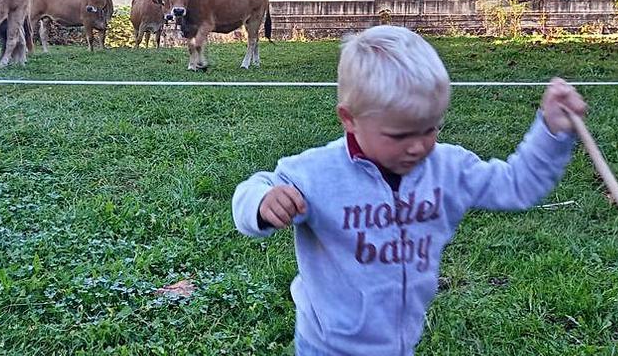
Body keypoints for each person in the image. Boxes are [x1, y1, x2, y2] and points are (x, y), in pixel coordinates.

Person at [232, 26, 587, 355]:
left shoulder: (449, 169)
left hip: (400, 342)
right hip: (327, 344)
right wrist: (263, 202)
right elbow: (254, 188)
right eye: (400, 135)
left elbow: (517, 185)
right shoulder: (316, 173)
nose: (418, 147)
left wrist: (551, 132)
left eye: (430, 129)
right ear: (349, 119)